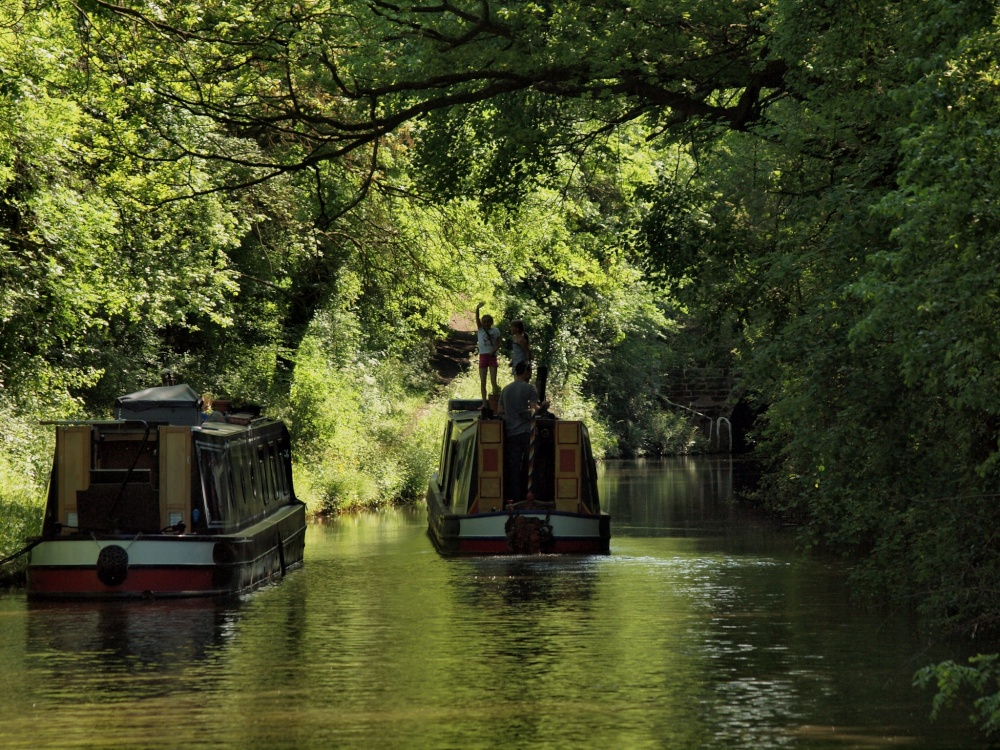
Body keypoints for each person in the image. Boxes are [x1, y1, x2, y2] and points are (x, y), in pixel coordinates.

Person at [497, 361, 550, 504]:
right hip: (527, 433)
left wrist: (512, 412)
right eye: (530, 371)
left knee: (514, 466)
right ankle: (531, 497)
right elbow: (534, 409)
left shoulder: (506, 390)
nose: (531, 373)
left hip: (511, 433)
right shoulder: (530, 388)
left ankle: (514, 498)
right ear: (526, 371)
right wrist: (543, 406)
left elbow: (500, 411)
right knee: (531, 465)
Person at [475, 302, 500, 407]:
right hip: (483, 356)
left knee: (493, 381)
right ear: (481, 322)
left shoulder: (496, 330)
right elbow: (476, 318)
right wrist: (477, 309)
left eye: (488, 321)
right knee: (483, 381)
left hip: (492, 356)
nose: (485, 323)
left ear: (491, 322)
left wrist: (494, 351)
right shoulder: (480, 330)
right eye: (484, 321)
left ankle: (496, 402)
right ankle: (484, 403)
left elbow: (499, 343)